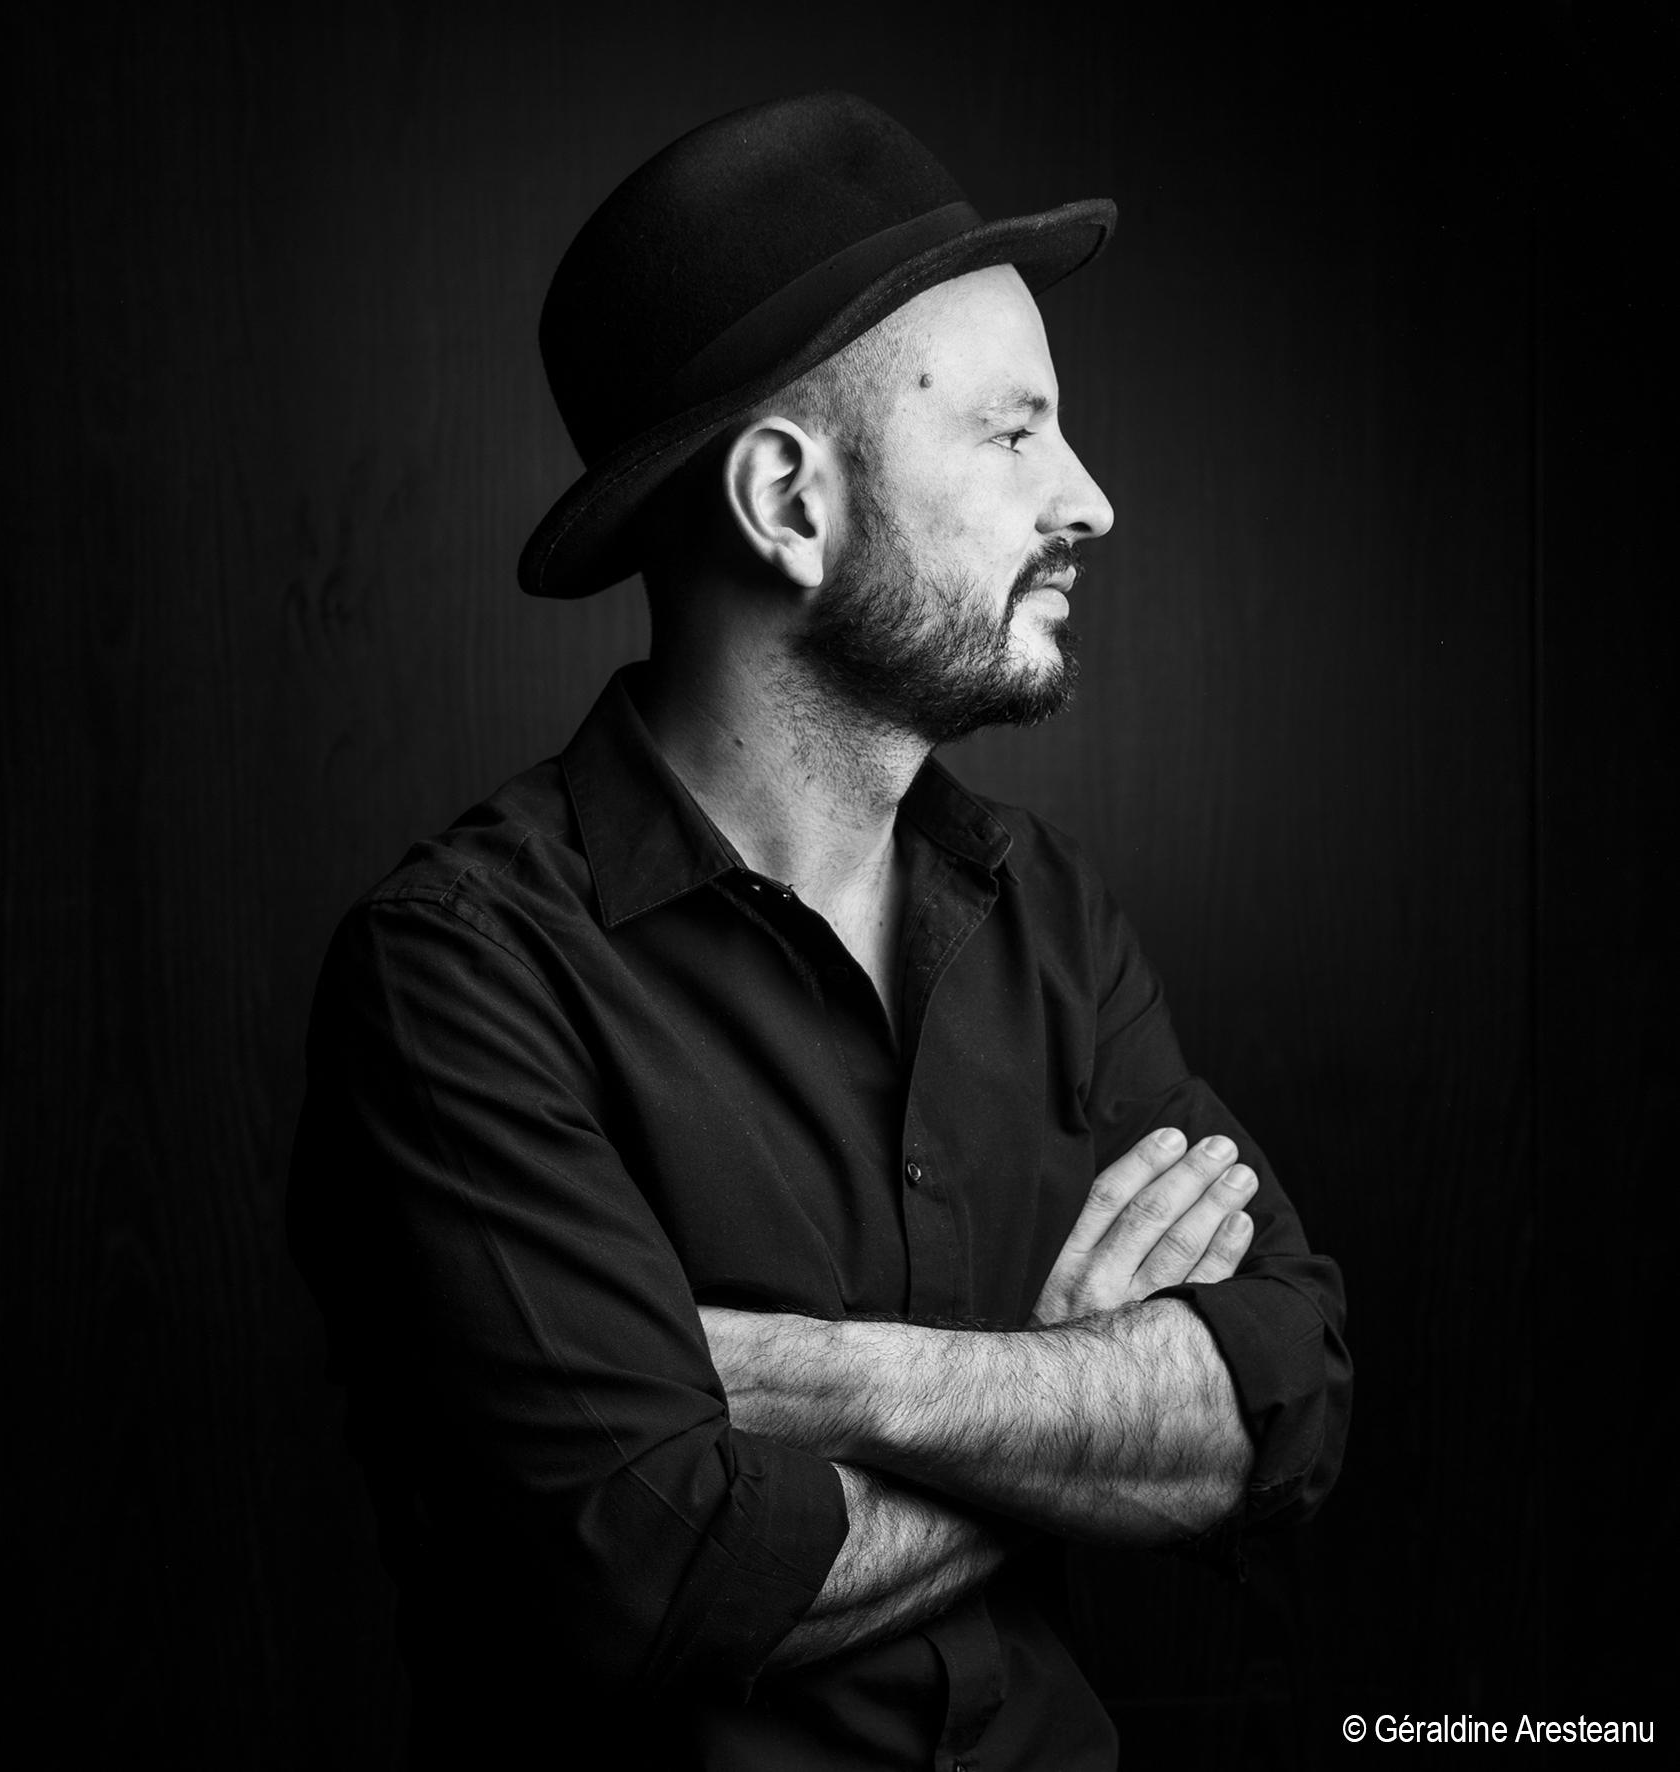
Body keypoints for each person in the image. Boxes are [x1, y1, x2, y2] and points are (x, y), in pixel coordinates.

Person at [289, 91, 1350, 1769]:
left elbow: (1283, 1400)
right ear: (789, 500)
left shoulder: (1046, 913)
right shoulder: (462, 979)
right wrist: (1073, 1394)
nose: (1088, 500)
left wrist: (838, 1381)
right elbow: (661, 1580)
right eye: (1013, 434)